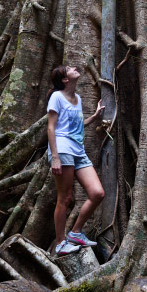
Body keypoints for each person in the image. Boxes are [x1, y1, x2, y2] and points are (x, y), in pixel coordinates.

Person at [46, 65, 106, 255]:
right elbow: (50, 127)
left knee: (97, 193)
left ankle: (76, 232)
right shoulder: (56, 97)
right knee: (65, 198)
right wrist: (55, 157)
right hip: (62, 150)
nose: (74, 68)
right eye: (69, 69)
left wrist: (95, 116)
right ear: (65, 79)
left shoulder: (78, 98)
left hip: (79, 150)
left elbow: (77, 124)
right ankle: (61, 243)